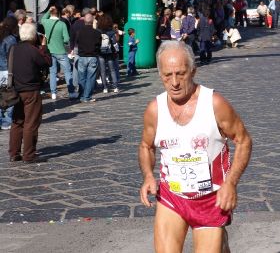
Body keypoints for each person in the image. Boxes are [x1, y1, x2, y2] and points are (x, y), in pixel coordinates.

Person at [139, 40, 252, 253]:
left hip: (211, 199)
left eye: (180, 74)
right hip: (172, 197)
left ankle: (221, 242)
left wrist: (231, 184)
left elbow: (243, 140)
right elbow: (146, 146)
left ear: (193, 71)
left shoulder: (214, 104)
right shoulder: (155, 109)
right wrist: (147, 176)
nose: (174, 82)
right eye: (167, 75)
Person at [8, 23, 51, 163]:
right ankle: (29, 154)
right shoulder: (34, 50)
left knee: (17, 122)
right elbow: (47, 62)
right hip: (31, 90)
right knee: (31, 123)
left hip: (15, 90)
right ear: (34, 36)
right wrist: (44, 46)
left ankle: (14, 153)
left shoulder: (13, 48)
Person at [41, 6, 78, 100]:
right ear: (58, 14)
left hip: (50, 51)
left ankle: (53, 93)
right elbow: (66, 39)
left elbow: (43, 18)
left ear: (51, 13)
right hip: (61, 51)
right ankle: (71, 92)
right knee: (67, 71)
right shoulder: (62, 24)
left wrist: (49, 11)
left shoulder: (46, 22)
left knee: (52, 72)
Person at [76, 14, 102, 102]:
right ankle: (87, 96)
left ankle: (82, 95)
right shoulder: (97, 33)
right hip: (92, 56)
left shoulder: (79, 32)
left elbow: (77, 42)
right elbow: (99, 45)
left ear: (84, 21)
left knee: (82, 77)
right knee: (91, 77)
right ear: (92, 21)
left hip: (82, 56)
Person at [0, 16, 18, 130]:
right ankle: (6, 121)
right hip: (7, 70)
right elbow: (14, 57)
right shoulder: (11, 39)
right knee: (9, 95)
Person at [97, 14, 119, 93]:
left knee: (102, 71)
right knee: (112, 70)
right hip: (110, 52)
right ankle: (115, 87)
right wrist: (116, 51)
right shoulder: (111, 32)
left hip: (100, 52)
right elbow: (114, 43)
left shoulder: (98, 31)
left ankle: (105, 88)